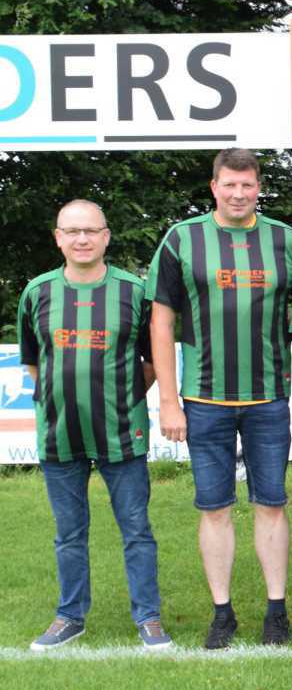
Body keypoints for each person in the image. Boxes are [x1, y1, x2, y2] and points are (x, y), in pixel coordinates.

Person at [146, 149, 292, 648]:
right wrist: (169, 401)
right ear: (214, 187)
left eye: (247, 184)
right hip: (203, 398)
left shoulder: (289, 241)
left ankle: (275, 611)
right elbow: (161, 319)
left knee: (271, 504)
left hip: (268, 399)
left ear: (259, 186)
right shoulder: (182, 238)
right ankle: (222, 612)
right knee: (214, 508)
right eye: (229, 184)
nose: (239, 193)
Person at [18, 200, 171, 651]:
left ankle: (149, 617)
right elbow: (34, 362)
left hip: (122, 433)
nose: (82, 239)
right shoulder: (37, 292)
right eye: (73, 231)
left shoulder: (133, 291)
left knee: (136, 529)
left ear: (106, 237)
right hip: (59, 434)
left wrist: (120, 399)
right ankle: (69, 616)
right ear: (58, 237)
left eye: (91, 231)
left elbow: (153, 360)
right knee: (68, 533)